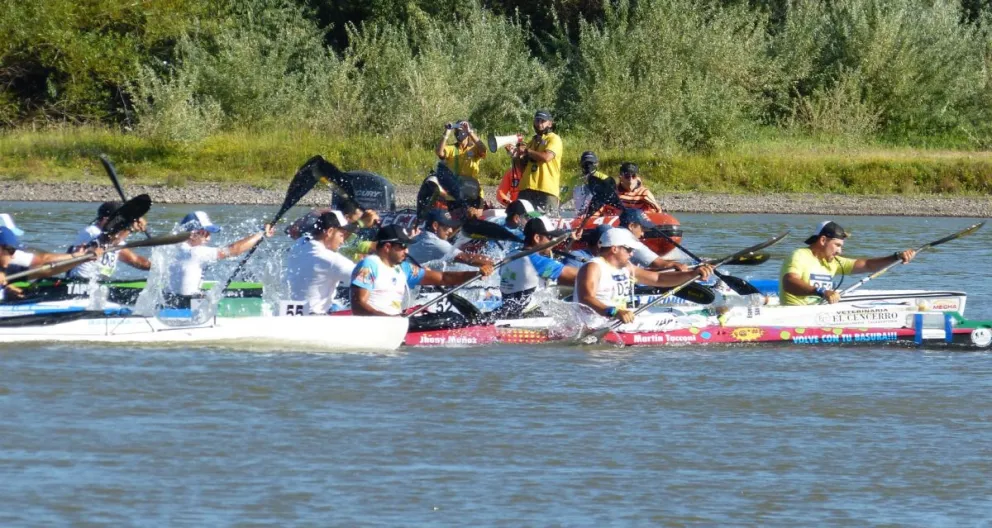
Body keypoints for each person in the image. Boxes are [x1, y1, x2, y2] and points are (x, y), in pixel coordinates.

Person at [576, 228, 713, 324]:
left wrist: (692, 274)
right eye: (629, 249)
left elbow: (658, 279)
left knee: (672, 315)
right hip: (597, 322)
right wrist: (614, 312)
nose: (632, 254)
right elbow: (586, 298)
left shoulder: (627, 267)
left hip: (619, 318)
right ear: (614, 249)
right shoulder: (593, 267)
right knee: (674, 320)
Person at [349, 225, 494, 316]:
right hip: (377, 324)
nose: (407, 251)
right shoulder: (369, 265)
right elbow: (358, 306)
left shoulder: (403, 268)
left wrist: (476, 274)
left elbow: (443, 278)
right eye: (403, 246)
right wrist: (389, 319)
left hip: (395, 323)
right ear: (387, 247)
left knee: (449, 317)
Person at [779, 221, 916, 306]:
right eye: (837, 245)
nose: (840, 251)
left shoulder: (833, 262)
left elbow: (868, 265)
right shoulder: (800, 255)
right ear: (823, 240)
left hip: (818, 313)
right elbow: (789, 282)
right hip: (794, 314)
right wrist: (822, 292)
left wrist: (896, 257)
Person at [164, 211, 275, 304]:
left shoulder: (170, 247)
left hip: (169, 301)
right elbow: (234, 250)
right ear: (193, 234)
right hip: (189, 305)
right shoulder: (195, 252)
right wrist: (260, 233)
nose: (208, 238)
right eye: (205, 233)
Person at [498, 217, 580, 318]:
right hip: (529, 316)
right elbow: (582, 275)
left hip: (507, 312)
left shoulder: (510, 255)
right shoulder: (538, 262)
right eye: (550, 237)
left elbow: (543, 274)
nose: (553, 242)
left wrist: (570, 237)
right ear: (537, 238)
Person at [1, 214, 96, 298]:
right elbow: (45, 259)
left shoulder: (14, 256)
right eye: (11, 248)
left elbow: (46, 267)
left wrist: (80, 258)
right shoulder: (10, 254)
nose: (14, 254)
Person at [285, 210, 357, 314]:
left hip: (287, 314)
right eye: (342, 235)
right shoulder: (331, 259)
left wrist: (313, 213)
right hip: (314, 318)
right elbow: (369, 280)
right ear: (330, 231)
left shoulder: (300, 243)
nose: (342, 241)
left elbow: (291, 230)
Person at [67, 201, 151, 280]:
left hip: (100, 283)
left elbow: (135, 260)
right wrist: (130, 228)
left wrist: (155, 267)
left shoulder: (117, 238)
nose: (122, 224)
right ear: (105, 219)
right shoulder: (91, 232)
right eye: (120, 221)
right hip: (79, 281)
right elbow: (109, 242)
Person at [407, 209, 495, 271]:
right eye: (447, 227)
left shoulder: (420, 234)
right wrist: (495, 262)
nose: (450, 231)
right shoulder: (435, 243)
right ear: (435, 226)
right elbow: (468, 259)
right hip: (421, 288)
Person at [511, 109, 563, 215]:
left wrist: (526, 151)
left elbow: (546, 157)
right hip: (527, 188)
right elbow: (523, 169)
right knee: (522, 221)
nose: (539, 124)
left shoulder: (554, 139)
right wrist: (515, 156)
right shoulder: (532, 142)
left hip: (546, 189)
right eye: (537, 121)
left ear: (550, 123)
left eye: (542, 121)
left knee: (547, 222)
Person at [615, 208, 689, 271]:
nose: (642, 234)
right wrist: (675, 264)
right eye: (643, 228)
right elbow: (656, 263)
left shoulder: (612, 233)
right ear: (632, 226)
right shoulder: (631, 243)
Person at [435, 120, 487, 206]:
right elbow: (439, 152)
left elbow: (483, 150)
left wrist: (470, 132)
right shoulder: (452, 148)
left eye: (461, 130)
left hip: (473, 190)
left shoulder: (474, 149)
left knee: (473, 212)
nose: (458, 133)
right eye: (456, 130)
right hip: (456, 192)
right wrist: (446, 133)